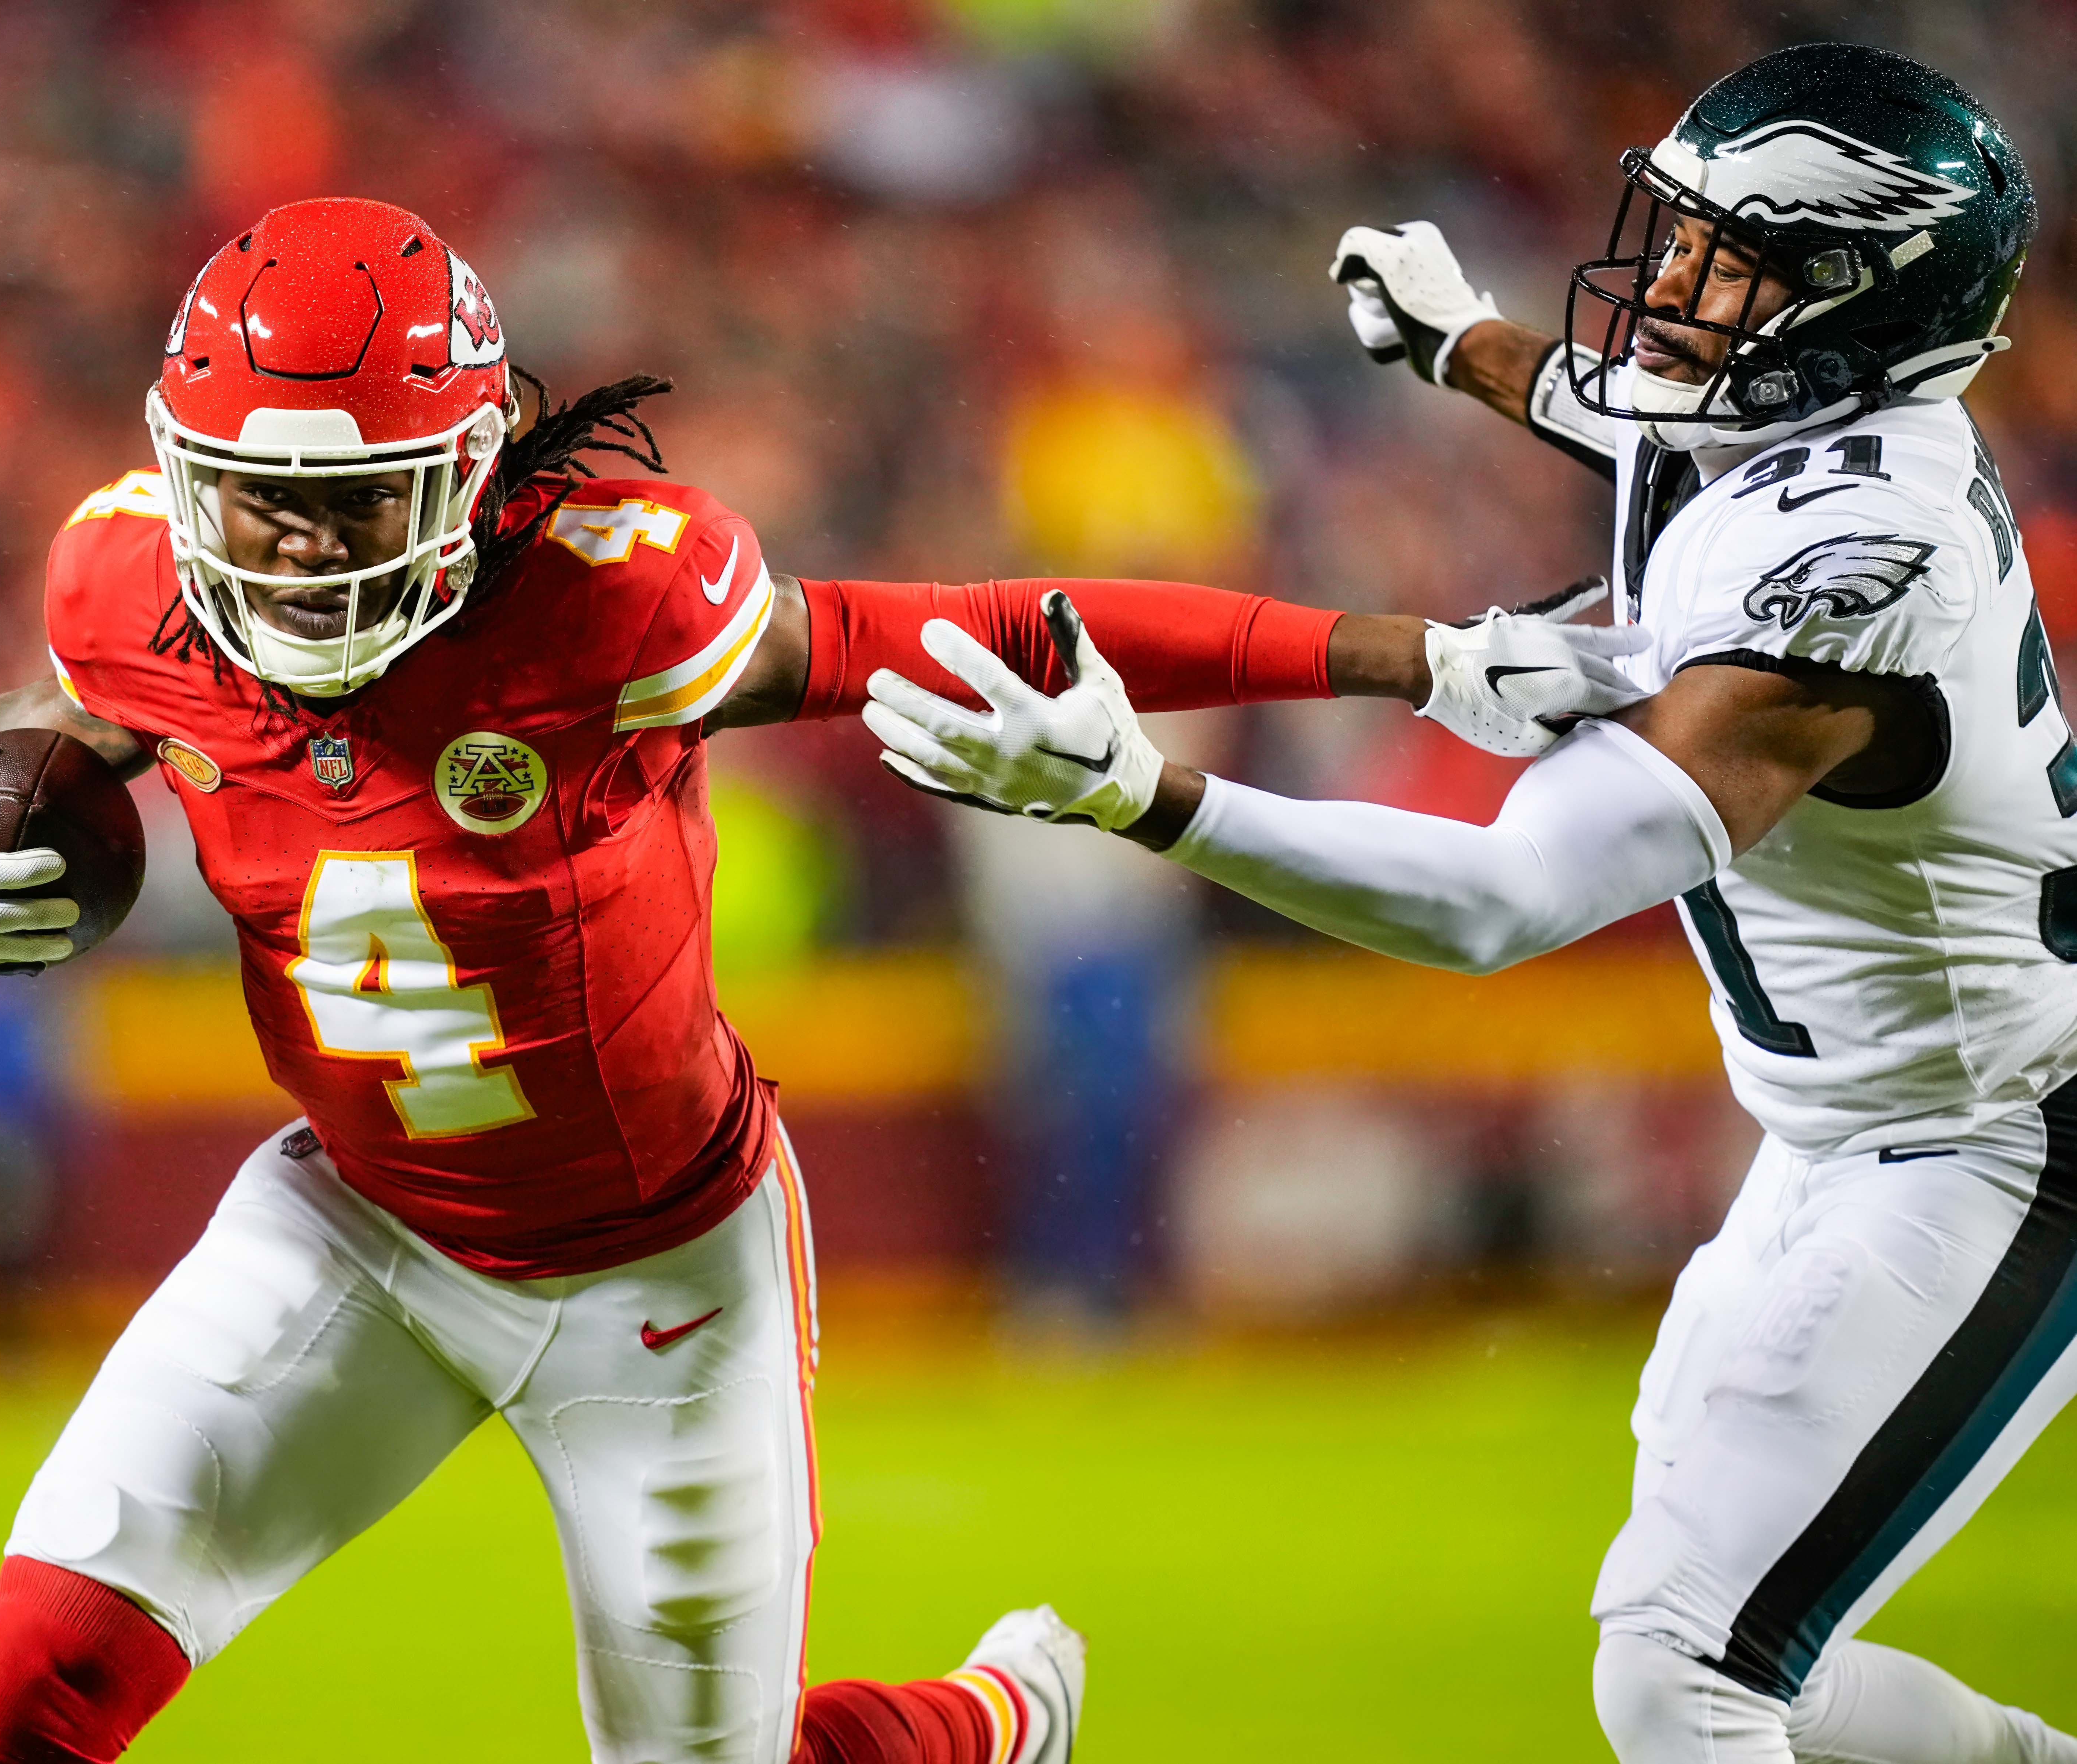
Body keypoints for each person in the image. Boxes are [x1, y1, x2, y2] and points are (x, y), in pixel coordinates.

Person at [0, 196, 1635, 1764]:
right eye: (254, 503)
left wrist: (1409, 655)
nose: (290, 552)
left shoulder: (610, 601)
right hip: (351, 1231)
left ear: (459, 477)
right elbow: (60, 728)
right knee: (29, 1682)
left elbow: (984, 625)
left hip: (659, 1278)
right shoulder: (122, 582)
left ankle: (982, 1722)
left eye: (351, 506)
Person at [865, 41, 2077, 1764]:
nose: (1663, 288)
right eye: (1668, 235)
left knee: (1685, 1671)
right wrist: (1460, 347)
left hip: (2000, 1142)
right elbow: (1624, 407)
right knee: (1732, 1660)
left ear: (1850, 305)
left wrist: (1139, 795)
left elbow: (1501, 903)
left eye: (1721, 260)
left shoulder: (1864, 563)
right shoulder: (1771, 412)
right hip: (1838, 1129)